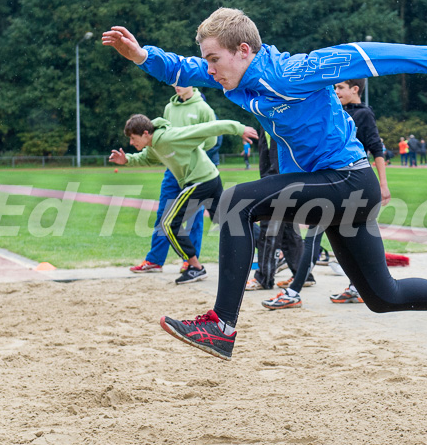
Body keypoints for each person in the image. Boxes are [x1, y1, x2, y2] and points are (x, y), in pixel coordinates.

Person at [103, 7, 427, 361]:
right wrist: (142, 55)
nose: (210, 70)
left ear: (243, 51)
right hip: (341, 189)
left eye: (215, 59)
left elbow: (363, 54)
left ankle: (221, 325)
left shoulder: (291, 71)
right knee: (383, 296)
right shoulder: (237, 75)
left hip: (346, 180)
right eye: (208, 61)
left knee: (234, 202)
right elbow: (186, 68)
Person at [261, 78, 389, 309]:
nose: (336, 91)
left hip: (351, 184)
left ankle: (294, 291)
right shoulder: (334, 110)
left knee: (319, 237)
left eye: (340, 87)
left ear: (355, 89)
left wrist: (383, 184)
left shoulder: (364, 114)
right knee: (331, 240)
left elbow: (376, 149)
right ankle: (349, 287)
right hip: (331, 184)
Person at [109, 113, 257, 284]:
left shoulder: (170, 137)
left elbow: (208, 128)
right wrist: (127, 159)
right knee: (229, 220)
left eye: (133, 138)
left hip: (201, 181)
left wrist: (239, 129)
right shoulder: (153, 145)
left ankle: (195, 267)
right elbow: (146, 158)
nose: (131, 143)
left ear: (145, 133)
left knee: (169, 223)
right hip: (209, 178)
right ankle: (273, 246)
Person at [130, 85, 215, 274]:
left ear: (192, 83)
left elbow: (212, 140)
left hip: (194, 171)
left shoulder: (203, 108)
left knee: (193, 217)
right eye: (174, 83)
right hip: (172, 170)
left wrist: (191, 153)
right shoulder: (169, 108)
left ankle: (190, 261)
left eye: (181, 82)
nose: (177, 86)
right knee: (164, 213)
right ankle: (155, 260)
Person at [245, 126, 307, 292]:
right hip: (276, 176)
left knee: (270, 224)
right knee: (288, 226)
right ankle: (302, 274)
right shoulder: (263, 114)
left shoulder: (276, 110)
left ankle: (264, 277)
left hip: (280, 178)